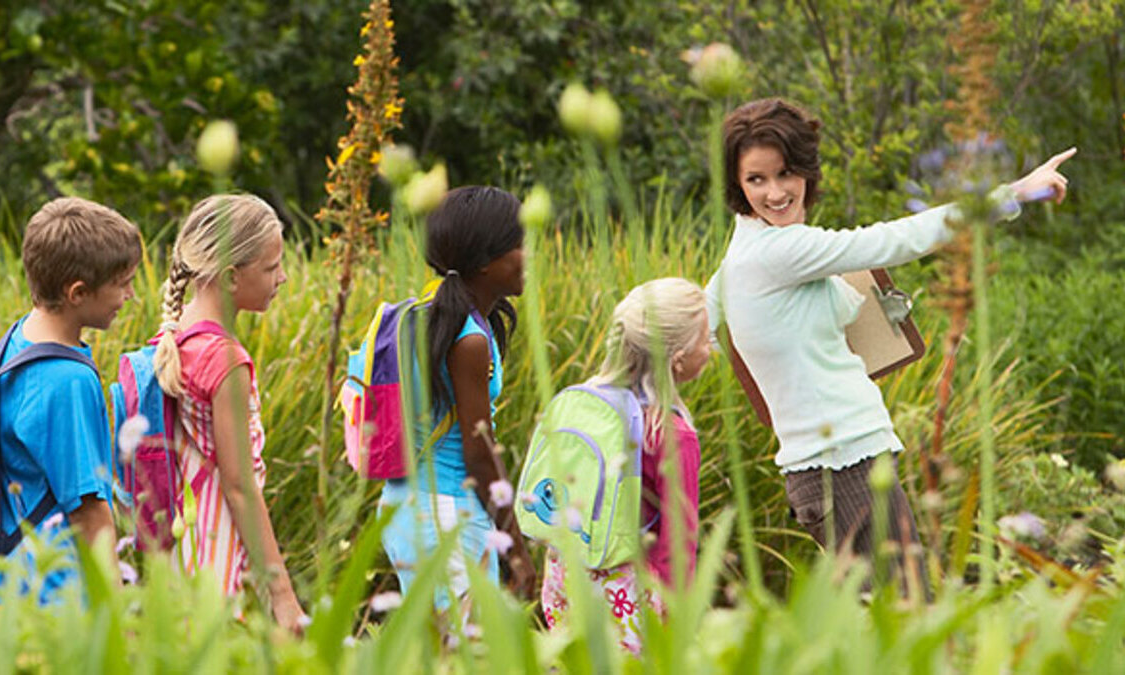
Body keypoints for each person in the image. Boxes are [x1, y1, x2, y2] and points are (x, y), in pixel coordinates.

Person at [705, 97, 1075, 588]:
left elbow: (697, 314)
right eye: (756, 179)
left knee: (892, 627)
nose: (775, 192)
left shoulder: (747, 250)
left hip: (843, 464)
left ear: (807, 171)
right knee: (908, 619)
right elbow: (895, 239)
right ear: (738, 185)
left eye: (786, 173)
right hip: (843, 467)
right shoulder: (776, 251)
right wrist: (1015, 193)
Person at [379, 185, 537, 616]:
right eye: (520, 244)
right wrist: (517, 551)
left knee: (441, 652)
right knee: (468, 654)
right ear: (485, 262)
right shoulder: (467, 339)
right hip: (445, 514)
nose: (530, 254)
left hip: (404, 507)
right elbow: (479, 454)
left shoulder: (421, 313)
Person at [152, 194, 307, 632]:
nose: (283, 277)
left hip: (181, 549)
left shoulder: (174, 343)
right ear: (231, 276)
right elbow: (240, 488)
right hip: (221, 555)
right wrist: (282, 595)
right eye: (272, 267)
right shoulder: (225, 360)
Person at [540, 277, 711, 654]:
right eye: (705, 338)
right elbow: (676, 544)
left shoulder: (585, 405)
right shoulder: (671, 434)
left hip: (567, 579)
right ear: (678, 359)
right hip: (629, 598)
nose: (710, 347)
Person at [0, 196, 142, 603]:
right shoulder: (68, 380)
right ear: (78, 292)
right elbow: (89, 512)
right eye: (122, 283)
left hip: (14, 575)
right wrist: (117, 617)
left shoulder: (20, 337)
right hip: (58, 592)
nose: (129, 294)